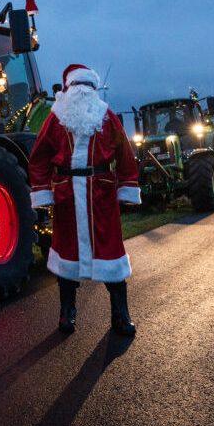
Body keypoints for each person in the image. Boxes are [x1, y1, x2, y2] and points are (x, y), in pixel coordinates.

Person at [29, 64, 141, 336]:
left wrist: (126, 188)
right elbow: (40, 157)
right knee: (66, 254)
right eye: (77, 87)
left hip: (101, 195)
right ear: (68, 90)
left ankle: (120, 314)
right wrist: (43, 191)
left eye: (85, 87)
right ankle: (67, 312)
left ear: (93, 91)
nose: (81, 93)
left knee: (111, 252)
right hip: (67, 197)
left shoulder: (107, 117)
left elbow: (125, 155)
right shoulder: (55, 119)